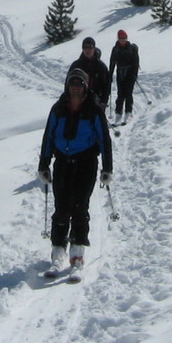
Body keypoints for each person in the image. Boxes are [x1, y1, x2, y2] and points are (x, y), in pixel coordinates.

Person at [38, 68, 114, 274]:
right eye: (73, 84)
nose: (76, 88)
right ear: (67, 85)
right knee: (61, 208)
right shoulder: (58, 108)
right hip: (62, 162)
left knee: (80, 208)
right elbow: (49, 136)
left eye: (79, 84)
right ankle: (57, 254)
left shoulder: (94, 109)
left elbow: (104, 139)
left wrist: (107, 168)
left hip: (86, 162)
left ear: (86, 86)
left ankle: (77, 256)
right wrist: (43, 164)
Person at [108, 29, 140, 119]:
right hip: (120, 73)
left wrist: (135, 74)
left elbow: (136, 62)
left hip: (130, 73)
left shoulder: (131, 48)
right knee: (120, 93)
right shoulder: (115, 49)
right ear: (118, 38)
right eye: (120, 38)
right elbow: (112, 62)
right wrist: (109, 75)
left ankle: (128, 112)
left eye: (124, 38)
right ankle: (118, 113)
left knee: (128, 93)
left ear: (126, 38)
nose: (122, 40)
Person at [72, 36, 111, 108]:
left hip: (96, 102)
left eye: (90, 47)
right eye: (85, 47)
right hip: (78, 101)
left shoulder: (101, 66)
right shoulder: (76, 65)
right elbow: (68, 83)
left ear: (94, 48)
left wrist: (103, 101)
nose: (88, 50)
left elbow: (106, 85)